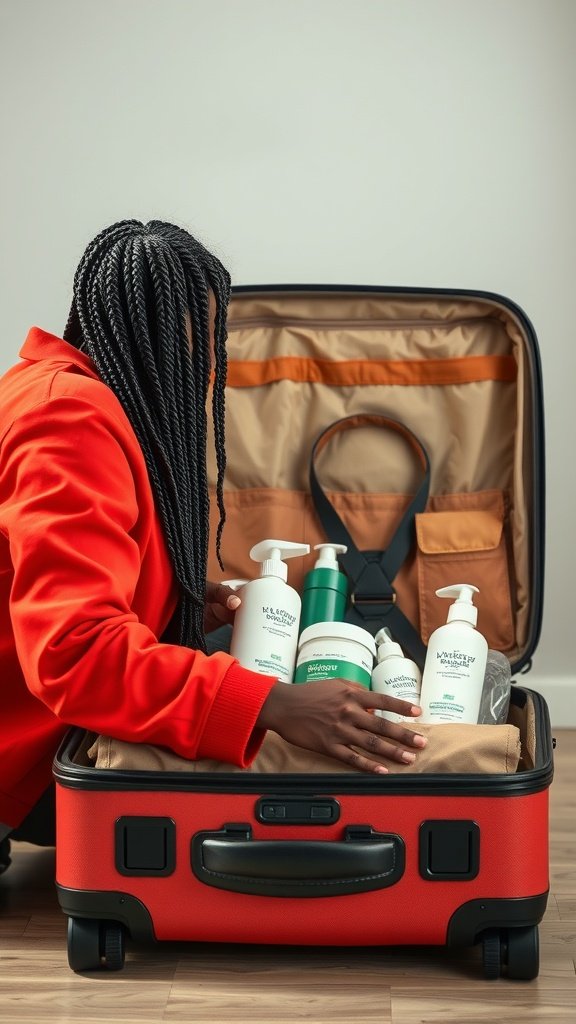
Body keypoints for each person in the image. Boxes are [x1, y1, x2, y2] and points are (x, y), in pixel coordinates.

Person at [0, 219, 426, 868]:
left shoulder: (41, 387)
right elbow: (74, 651)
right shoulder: (68, 418)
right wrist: (274, 706)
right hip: (22, 757)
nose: (206, 371)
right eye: (200, 347)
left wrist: (170, 606)